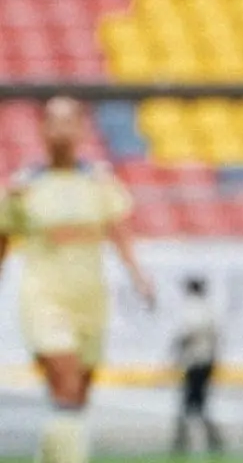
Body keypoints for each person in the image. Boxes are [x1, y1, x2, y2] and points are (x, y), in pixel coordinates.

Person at [0, 96, 155, 463]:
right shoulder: (24, 187)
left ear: (83, 128)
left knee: (75, 397)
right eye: (53, 121)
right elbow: (4, 234)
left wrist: (138, 276)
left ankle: (49, 456)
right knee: (66, 383)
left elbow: (118, 230)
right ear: (42, 129)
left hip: (89, 300)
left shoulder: (99, 182)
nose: (62, 129)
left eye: (70, 121)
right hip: (44, 298)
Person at [171, 275, 222, 454]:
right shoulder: (209, 308)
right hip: (206, 361)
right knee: (198, 404)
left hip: (196, 362)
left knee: (193, 404)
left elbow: (189, 333)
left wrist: (176, 349)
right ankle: (210, 442)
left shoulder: (194, 307)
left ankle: (189, 444)